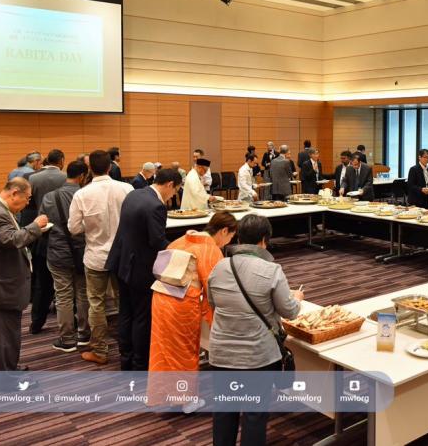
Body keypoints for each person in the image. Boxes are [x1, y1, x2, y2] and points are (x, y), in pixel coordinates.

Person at [207, 214, 304, 446]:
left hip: (221, 353)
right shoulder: (272, 270)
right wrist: (297, 298)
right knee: (254, 415)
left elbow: (213, 303)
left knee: (223, 411)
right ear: (263, 240)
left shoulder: (219, 267)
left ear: (239, 237)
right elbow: (289, 311)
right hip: (257, 356)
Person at [148, 212, 236, 410]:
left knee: (163, 350)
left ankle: (166, 394)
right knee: (185, 352)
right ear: (223, 231)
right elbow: (215, 289)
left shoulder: (179, 240)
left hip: (160, 298)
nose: (228, 242)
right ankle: (186, 400)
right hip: (182, 305)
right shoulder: (210, 249)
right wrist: (216, 317)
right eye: (230, 237)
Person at [0, 178, 47, 387]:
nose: (26, 203)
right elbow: (12, 240)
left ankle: (6, 371)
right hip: (1, 286)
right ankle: (6, 382)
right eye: (27, 198)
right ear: (14, 193)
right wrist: (36, 226)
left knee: (1, 337)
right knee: (4, 337)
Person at [106, 169, 182, 371]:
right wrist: (180, 247)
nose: (173, 196)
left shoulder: (134, 193)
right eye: (175, 191)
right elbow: (157, 241)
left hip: (122, 263)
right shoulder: (156, 205)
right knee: (142, 316)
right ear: (169, 184)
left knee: (126, 312)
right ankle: (140, 363)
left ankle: (126, 358)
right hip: (140, 269)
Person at [68, 150, 134, 365]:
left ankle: (100, 350)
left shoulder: (82, 194)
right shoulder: (127, 189)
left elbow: (74, 228)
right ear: (109, 167)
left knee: (96, 304)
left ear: (90, 169)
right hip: (122, 256)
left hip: (96, 256)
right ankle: (129, 345)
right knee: (125, 301)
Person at [40, 161, 90, 352]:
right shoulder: (86, 195)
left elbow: (42, 224)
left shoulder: (49, 197)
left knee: (63, 296)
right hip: (82, 252)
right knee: (83, 294)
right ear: (82, 176)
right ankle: (85, 334)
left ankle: (67, 339)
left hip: (57, 253)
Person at [27, 149, 67, 334]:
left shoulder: (33, 178)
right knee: (68, 282)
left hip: (42, 235)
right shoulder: (67, 178)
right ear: (61, 161)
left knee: (41, 283)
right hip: (65, 236)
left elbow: (29, 208)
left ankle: (36, 322)